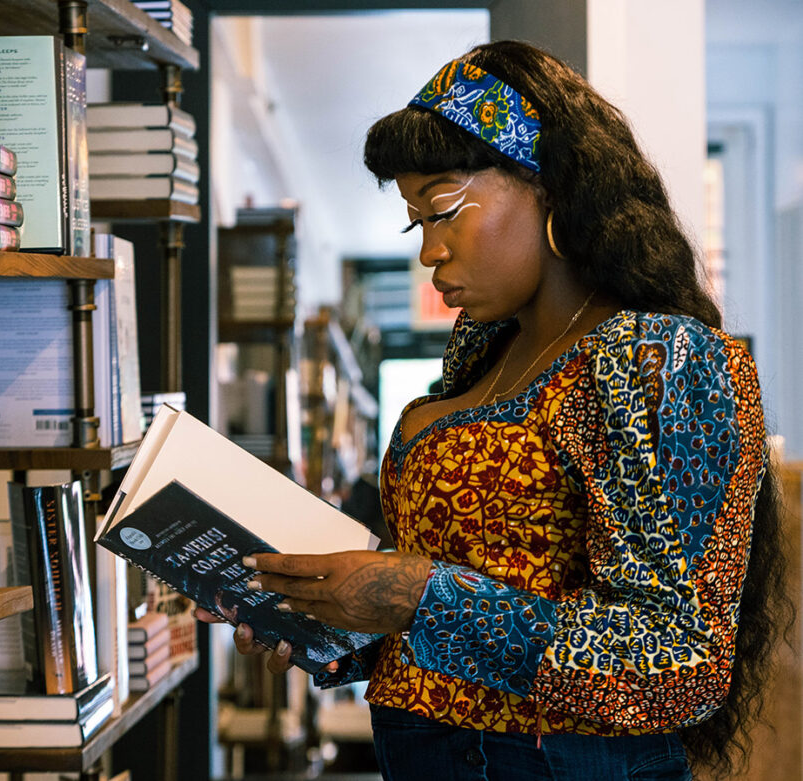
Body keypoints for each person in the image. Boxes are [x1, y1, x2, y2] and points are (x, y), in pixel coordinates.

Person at [196, 40, 789, 780]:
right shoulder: (481, 359)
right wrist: (336, 617)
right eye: (418, 224)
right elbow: (484, 605)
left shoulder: (658, 361)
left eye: (444, 210)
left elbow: (680, 663)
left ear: (550, 188)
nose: (429, 252)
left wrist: (416, 596)